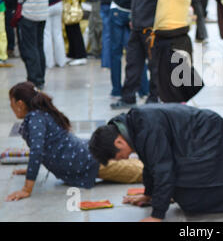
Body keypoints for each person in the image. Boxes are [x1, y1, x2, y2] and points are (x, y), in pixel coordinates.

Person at [88, 103, 223, 222]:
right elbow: (151, 164)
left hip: (220, 143)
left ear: (118, 142)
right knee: (180, 190)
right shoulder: (135, 124)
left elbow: (163, 170)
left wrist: (157, 216)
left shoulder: (144, 128)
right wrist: (149, 195)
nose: (124, 159)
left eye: (119, 156)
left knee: (188, 199)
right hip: (215, 141)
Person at [6, 82, 144, 202]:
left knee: (143, 172)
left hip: (88, 161)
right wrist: (30, 168)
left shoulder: (35, 118)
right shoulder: (38, 114)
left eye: (11, 103)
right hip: (84, 154)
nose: (10, 108)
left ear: (20, 104)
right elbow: (47, 147)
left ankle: (161, 168)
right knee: (137, 164)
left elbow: (37, 150)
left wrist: (26, 188)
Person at [111, 0, 164, 109]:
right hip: (137, 25)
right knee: (133, 63)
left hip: (151, 28)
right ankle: (128, 97)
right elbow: (136, 0)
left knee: (154, 65)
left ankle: (154, 96)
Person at [102, 0, 149, 99]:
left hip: (118, 12)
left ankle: (116, 89)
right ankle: (143, 89)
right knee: (137, 53)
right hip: (135, 14)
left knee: (115, 53)